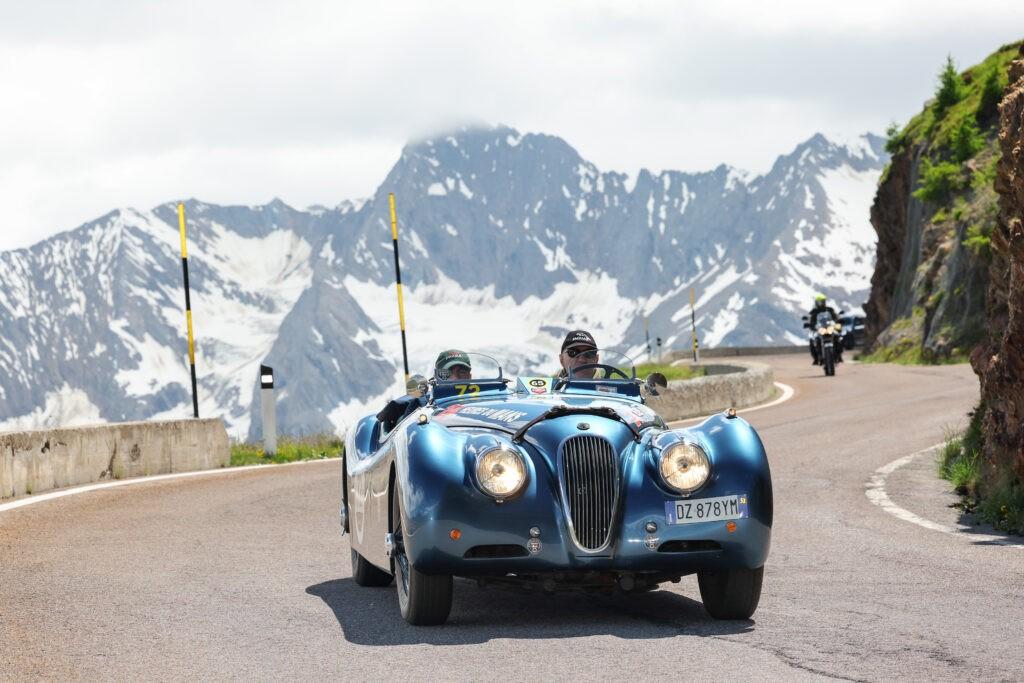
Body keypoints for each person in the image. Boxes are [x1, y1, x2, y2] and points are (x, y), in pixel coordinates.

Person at [804, 294, 841, 365]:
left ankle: (838, 356)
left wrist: (838, 321)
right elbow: (811, 320)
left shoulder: (829, 310)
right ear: (816, 302)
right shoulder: (814, 312)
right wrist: (810, 325)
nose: (821, 303)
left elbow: (835, 317)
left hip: (829, 328)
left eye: (823, 301)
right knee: (813, 340)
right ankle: (816, 358)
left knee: (837, 337)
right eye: (820, 302)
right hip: (819, 329)